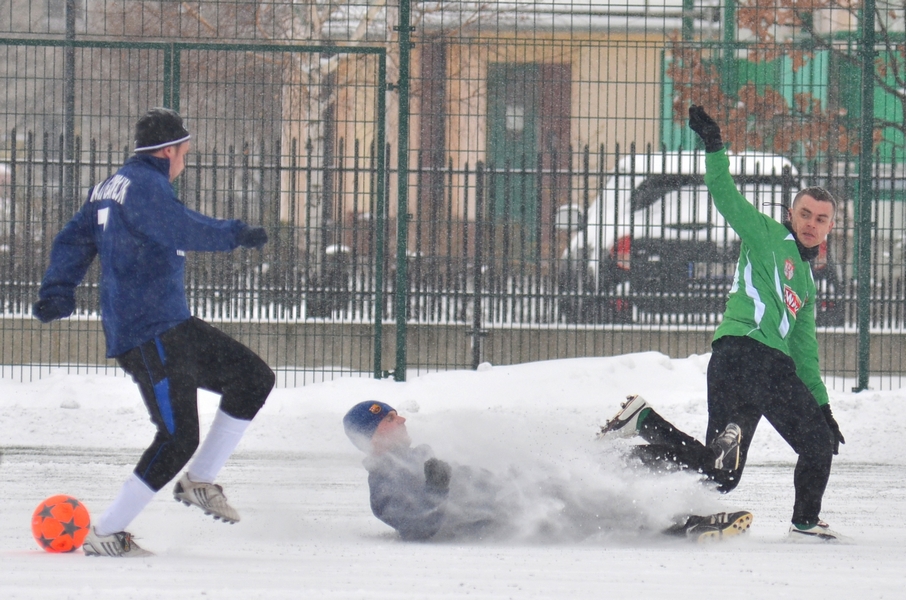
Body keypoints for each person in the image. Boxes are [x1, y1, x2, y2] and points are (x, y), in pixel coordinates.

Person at [33, 108, 275, 557]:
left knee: (253, 378)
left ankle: (199, 482)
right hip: (149, 332)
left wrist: (58, 289)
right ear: (167, 152)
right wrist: (236, 233)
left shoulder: (111, 186)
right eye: (185, 152)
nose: (185, 160)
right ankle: (106, 533)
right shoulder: (144, 186)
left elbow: (74, 239)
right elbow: (181, 227)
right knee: (177, 437)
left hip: (171, 323)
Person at [599, 105, 846, 542]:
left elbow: (805, 351)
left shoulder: (806, 283)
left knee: (720, 473)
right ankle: (805, 522)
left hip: (736, 363)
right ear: (792, 214)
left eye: (821, 219)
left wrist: (823, 406)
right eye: (805, 214)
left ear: (830, 227)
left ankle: (643, 429)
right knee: (816, 444)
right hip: (751, 354)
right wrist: (714, 146)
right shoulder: (766, 233)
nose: (811, 223)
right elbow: (724, 194)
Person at [343, 400, 754, 543]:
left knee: (629, 470)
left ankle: (693, 467)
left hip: (525, 486)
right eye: (389, 419)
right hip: (516, 508)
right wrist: (438, 489)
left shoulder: (418, 457)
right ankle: (688, 520)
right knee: (611, 503)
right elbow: (416, 527)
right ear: (371, 437)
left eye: (397, 414)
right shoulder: (385, 484)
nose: (401, 420)